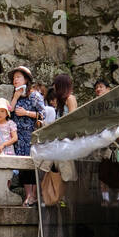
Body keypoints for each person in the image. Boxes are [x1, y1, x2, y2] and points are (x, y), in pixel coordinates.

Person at [42, 74, 79, 206]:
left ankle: (64, 199)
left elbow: (72, 120)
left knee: (66, 172)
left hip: (67, 143)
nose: (54, 87)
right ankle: (58, 198)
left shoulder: (70, 98)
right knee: (56, 170)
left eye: (56, 85)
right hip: (58, 143)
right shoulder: (61, 102)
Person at [9, 66, 43, 206]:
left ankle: (33, 196)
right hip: (19, 139)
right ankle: (28, 195)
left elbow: (43, 115)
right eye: (14, 78)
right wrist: (16, 97)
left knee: (31, 166)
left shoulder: (34, 95)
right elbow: (8, 114)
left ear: (26, 79)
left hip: (32, 137)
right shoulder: (15, 96)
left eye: (18, 77)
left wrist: (26, 113)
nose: (15, 80)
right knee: (23, 167)